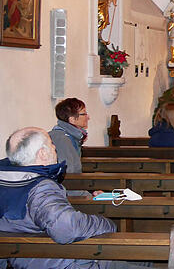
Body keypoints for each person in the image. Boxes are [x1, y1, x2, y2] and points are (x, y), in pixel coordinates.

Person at [0, 127, 126, 268]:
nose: (55, 148)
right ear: (42, 153)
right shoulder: (40, 187)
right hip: (59, 261)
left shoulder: (7, 181)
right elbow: (66, 228)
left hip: (24, 260)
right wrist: (106, 224)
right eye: (51, 144)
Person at [50, 97, 89, 174]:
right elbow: (68, 172)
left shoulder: (70, 136)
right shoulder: (61, 138)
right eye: (84, 114)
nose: (88, 117)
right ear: (72, 119)